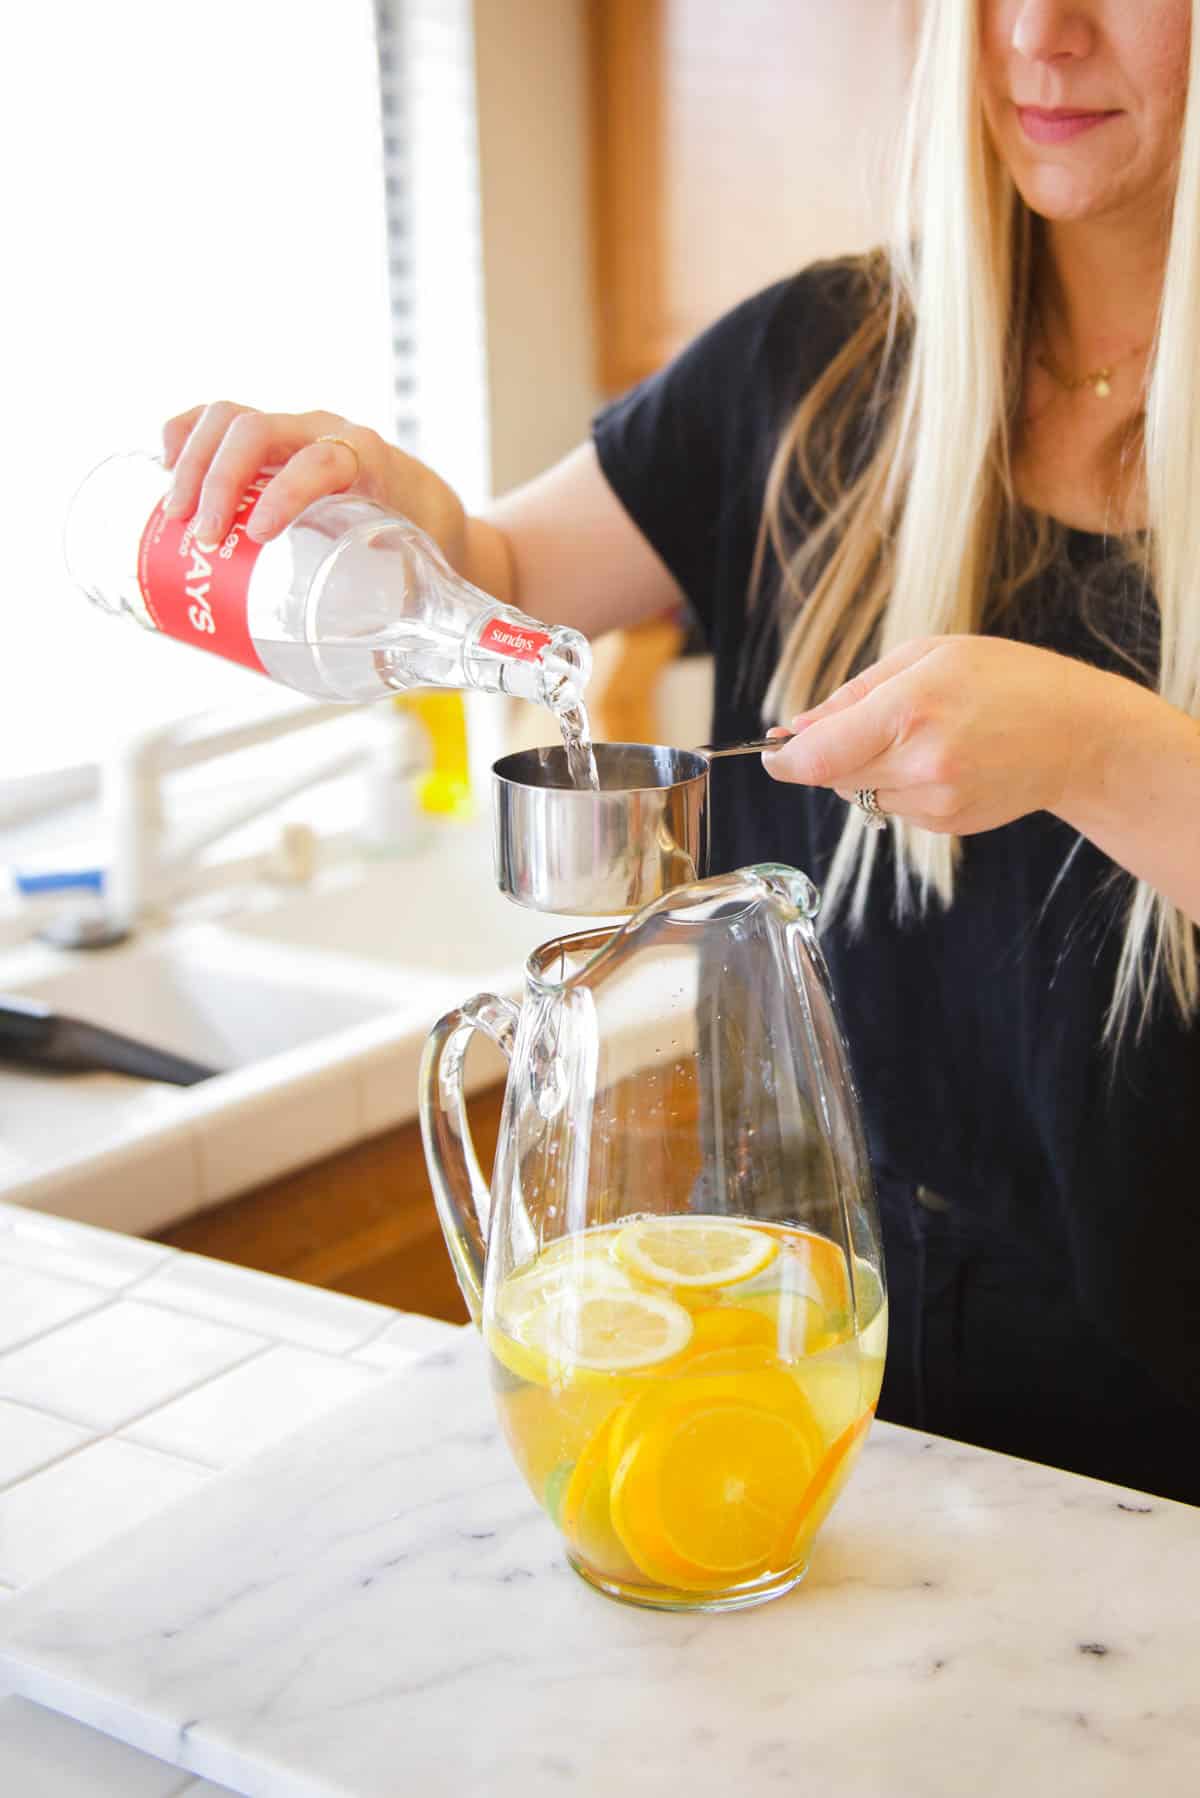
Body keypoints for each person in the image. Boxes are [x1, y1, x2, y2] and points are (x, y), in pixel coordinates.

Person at [160, 0, 1200, 1505]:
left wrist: (1096, 747)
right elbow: (504, 566)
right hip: (820, 1432)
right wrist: (392, 512)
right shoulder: (821, 363)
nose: (1039, 33)